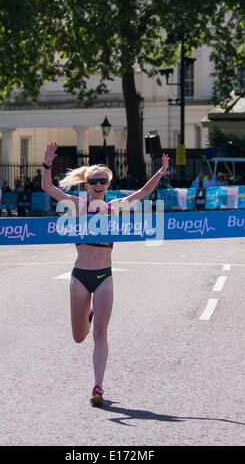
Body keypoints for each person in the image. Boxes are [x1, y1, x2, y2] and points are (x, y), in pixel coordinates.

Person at [41, 141, 170, 406]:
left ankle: (98, 387)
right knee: (80, 337)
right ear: (86, 185)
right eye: (93, 181)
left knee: (101, 332)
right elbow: (48, 187)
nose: (98, 185)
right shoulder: (77, 206)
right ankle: (87, 316)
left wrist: (160, 171)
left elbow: (143, 192)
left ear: (108, 185)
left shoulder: (115, 207)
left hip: (104, 278)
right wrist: (47, 163)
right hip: (79, 277)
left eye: (102, 181)